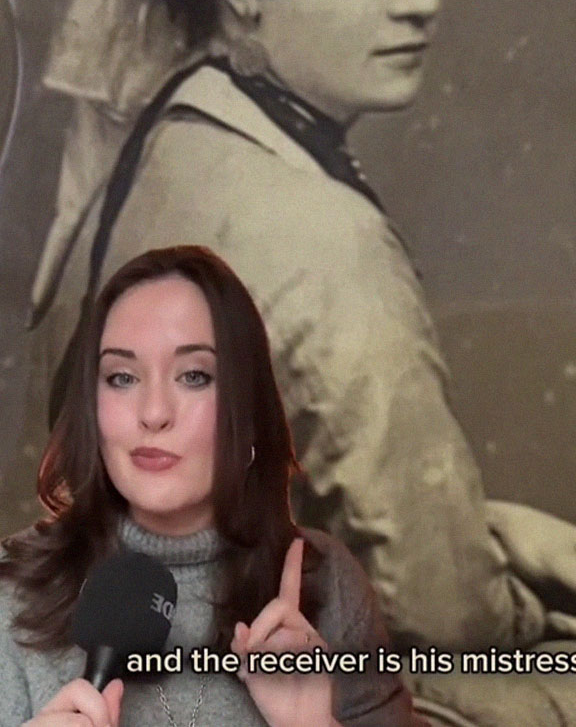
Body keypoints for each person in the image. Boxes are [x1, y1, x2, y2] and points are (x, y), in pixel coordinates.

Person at [20, 0, 576, 723]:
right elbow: (446, 623)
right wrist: (512, 599)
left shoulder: (174, 131)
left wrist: (492, 529)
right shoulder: (323, 240)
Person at [1, 245, 422, 726]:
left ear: (246, 405)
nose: (154, 413)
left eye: (194, 376)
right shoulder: (11, 593)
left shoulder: (326, 584)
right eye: (121, 377)